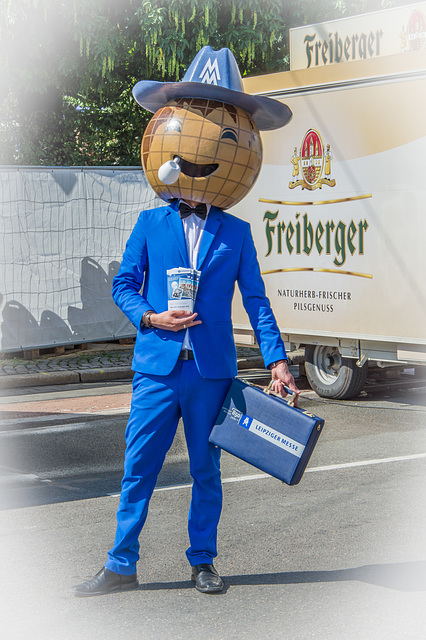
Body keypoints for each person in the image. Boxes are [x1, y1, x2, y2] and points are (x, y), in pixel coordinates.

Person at [72, 46, 299, 597]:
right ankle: (121, 564)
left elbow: (258, 300)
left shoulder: (237, 232)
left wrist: (279, 361)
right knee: (138, 469)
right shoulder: (149, 223)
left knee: (206, 472)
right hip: (156, 365)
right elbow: (123, 285)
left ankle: (203, 560)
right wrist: (151, 316)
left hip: (212, 371)